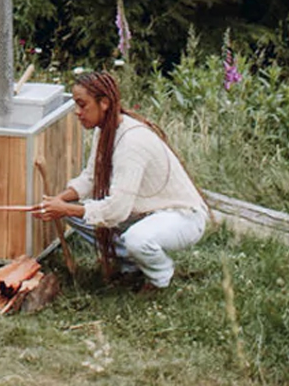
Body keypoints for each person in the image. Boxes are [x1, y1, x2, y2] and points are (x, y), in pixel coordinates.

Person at [32, 70, 207, 292]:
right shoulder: (105, 130)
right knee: (70, 211)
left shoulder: (131, 142)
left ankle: (160, 277)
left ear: (104, 103)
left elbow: (116, 209)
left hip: (182, 216)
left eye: (82, 105)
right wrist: (58, 202)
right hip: (144, 212)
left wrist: (64, 208)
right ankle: (131, 265)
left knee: (136, 239)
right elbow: (90, 178)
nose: (77, 112)